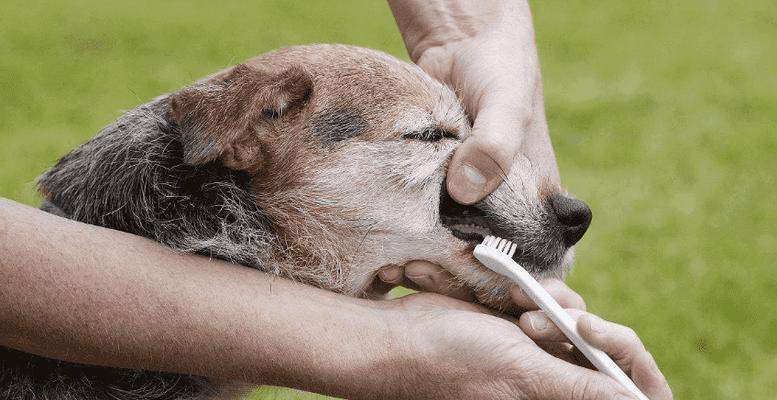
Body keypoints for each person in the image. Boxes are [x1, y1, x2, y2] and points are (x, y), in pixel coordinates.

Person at [0, 1, 672, 399]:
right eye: (429, 136)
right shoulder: (235, 123)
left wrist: (466, 35)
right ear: (251, 132)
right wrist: (381, 346)